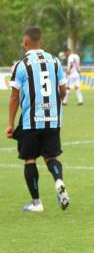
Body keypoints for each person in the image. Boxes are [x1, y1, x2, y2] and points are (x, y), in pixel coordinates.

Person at [4, 27, 70, 212]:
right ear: (41, 41)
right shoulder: (55, 61)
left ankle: (36, 203)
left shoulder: (21, 64)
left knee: (30, 159)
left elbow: (14, 98)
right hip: (53, 119)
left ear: (25, 42)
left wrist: (10, 123)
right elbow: (63, 90)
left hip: (31, 121)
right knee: (51, 156)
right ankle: (58, 180)